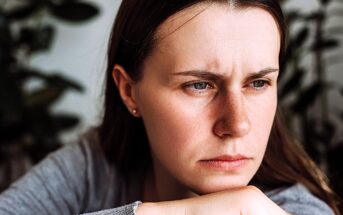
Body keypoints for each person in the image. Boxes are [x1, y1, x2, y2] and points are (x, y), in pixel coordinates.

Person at [0, 0, 340, 214]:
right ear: (129, 91)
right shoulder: (96, 166)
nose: (237, 124)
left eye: (258, 83)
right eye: (199, 85)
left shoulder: (296, 210)